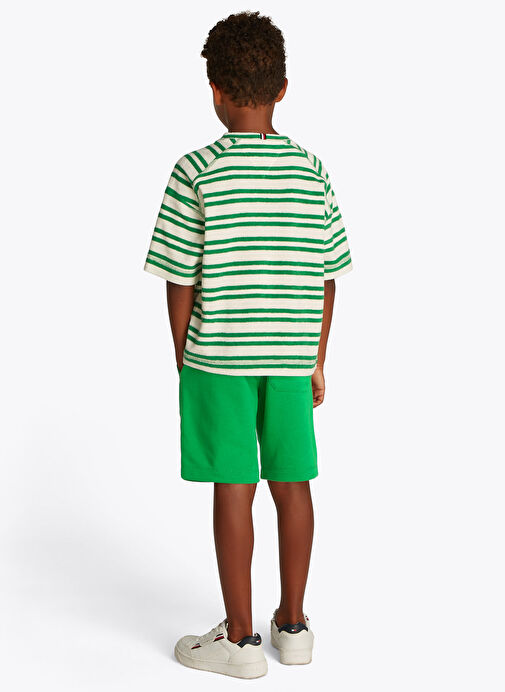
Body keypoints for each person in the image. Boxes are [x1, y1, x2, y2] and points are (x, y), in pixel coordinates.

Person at [143, 10, 353, 679]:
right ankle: (293, 625)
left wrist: (185, 357)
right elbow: (327, 275)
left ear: (214, 88)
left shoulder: (195, 171)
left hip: (219, 357)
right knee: (293, 483)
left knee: (232, 485)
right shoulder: (311, 170)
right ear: (282, 89)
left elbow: (180, 276)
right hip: (290, 355)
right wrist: (316, 358)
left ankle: (239, 641)